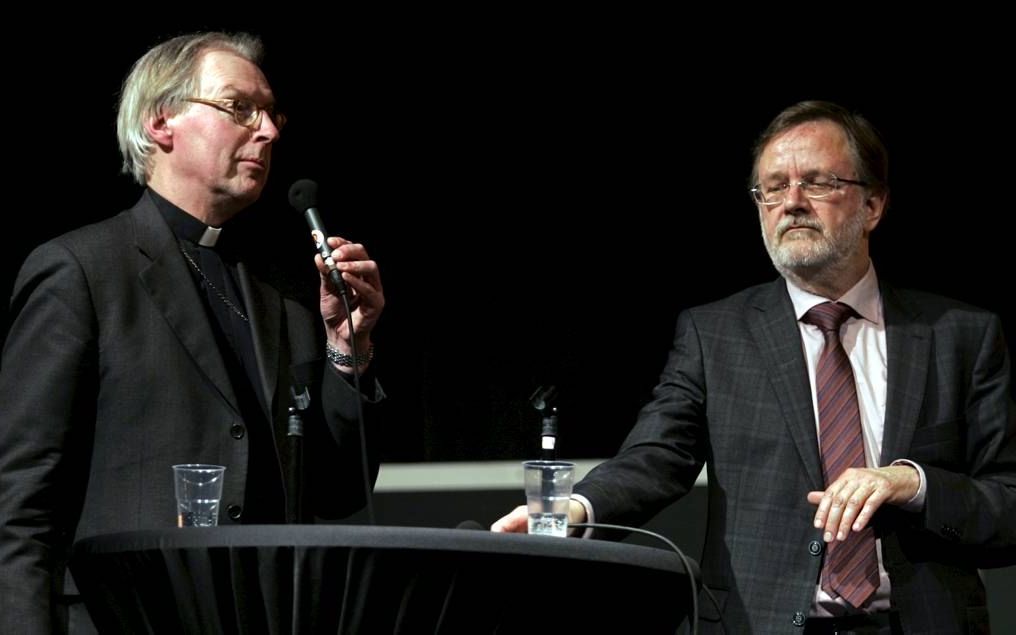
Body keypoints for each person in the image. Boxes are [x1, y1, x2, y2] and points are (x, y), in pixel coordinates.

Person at [493, 100, 1016, 633]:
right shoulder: (714, 333)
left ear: (873, 205)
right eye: (772, 188)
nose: (791, 203)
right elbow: (656, 457)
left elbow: (1008, 504)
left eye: (817, 183)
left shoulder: (960, 336)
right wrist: (571, 513)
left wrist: (915, 483)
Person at [0, 32, 385, 633]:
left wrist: (347, 350)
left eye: (271, 114)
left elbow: (336, 492)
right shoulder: (82, 270)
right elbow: (20, 505)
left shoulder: (280, 298)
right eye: (239, 108)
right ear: (161, 123)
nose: (269, 131)